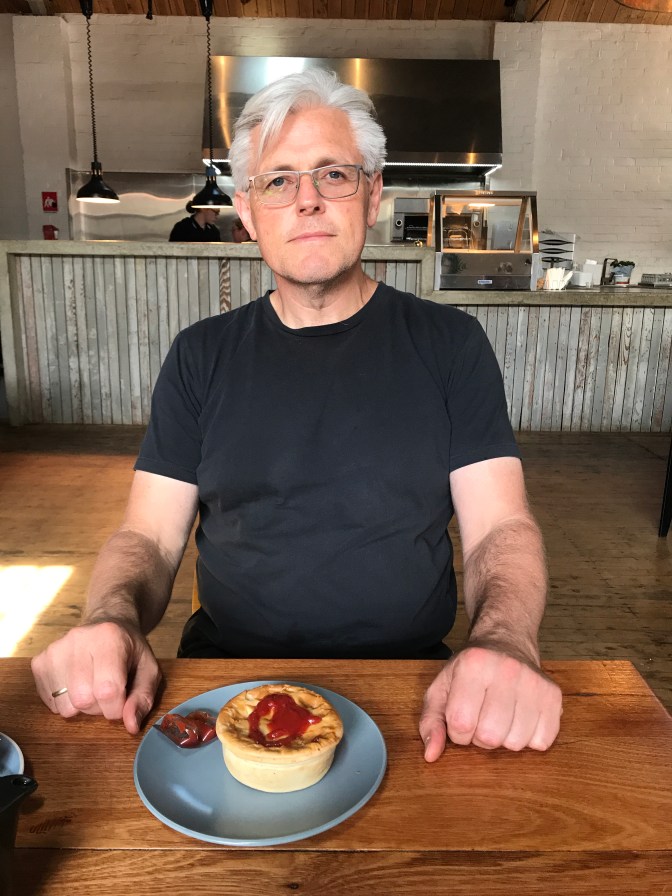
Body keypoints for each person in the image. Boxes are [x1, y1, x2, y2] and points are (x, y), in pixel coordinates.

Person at [32, 69, 562, 759]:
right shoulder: (200, 356)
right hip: (226, 683)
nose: (307, 201)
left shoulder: (451, 347)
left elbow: (501, 528)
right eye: (278, 181)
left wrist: (506, 641)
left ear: (372, 196)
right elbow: (149, 540)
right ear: (248, 212)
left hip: (412, 691)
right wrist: (109, 619)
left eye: (333, 174)